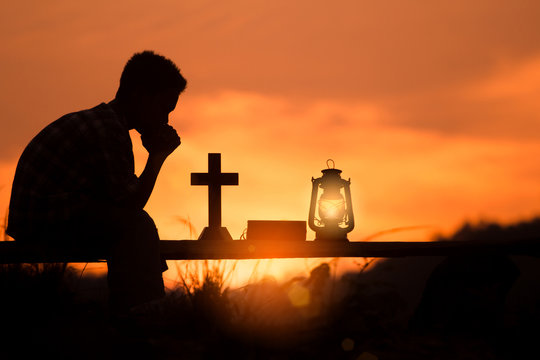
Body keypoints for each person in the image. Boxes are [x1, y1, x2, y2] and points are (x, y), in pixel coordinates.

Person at [6, 50, 186, 314]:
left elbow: (118, 200)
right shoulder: (108, 129)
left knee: (133, 226)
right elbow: (131, 205)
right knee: (138, 226)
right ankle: (142, 311)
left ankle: (136, 310)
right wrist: (157, 157)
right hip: (42, 221)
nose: (165, 119)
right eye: (163, 108)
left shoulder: (104, 123)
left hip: (44, 217)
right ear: (139, 95)